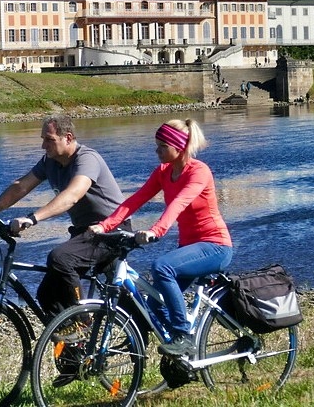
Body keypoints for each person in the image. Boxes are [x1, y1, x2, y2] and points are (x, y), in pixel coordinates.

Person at [90, 118, 232, 357]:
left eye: (162, 146)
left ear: (180, 147)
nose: (156, 151)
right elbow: (135, 200)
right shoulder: (164, 172)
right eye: (157, 145)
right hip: (190, 246)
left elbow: (179, 203)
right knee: (155, 304)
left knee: (162, 267)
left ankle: (183, 336)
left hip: (215, 246)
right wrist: (105, 226)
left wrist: (157, 230)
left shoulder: (199, 171)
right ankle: (182, 360)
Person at [0, 114, 130, 319]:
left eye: (49, 139)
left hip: (111, 230)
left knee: (60, 258)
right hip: (85, 233)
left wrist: (33, 218)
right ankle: (71, 347)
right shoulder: (50, 162)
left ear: (68, 137)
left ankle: (82, 322)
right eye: (43, 139)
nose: (43, 146)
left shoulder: (87, 159)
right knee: (47, 295)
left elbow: (71, 196)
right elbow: (21, 187)